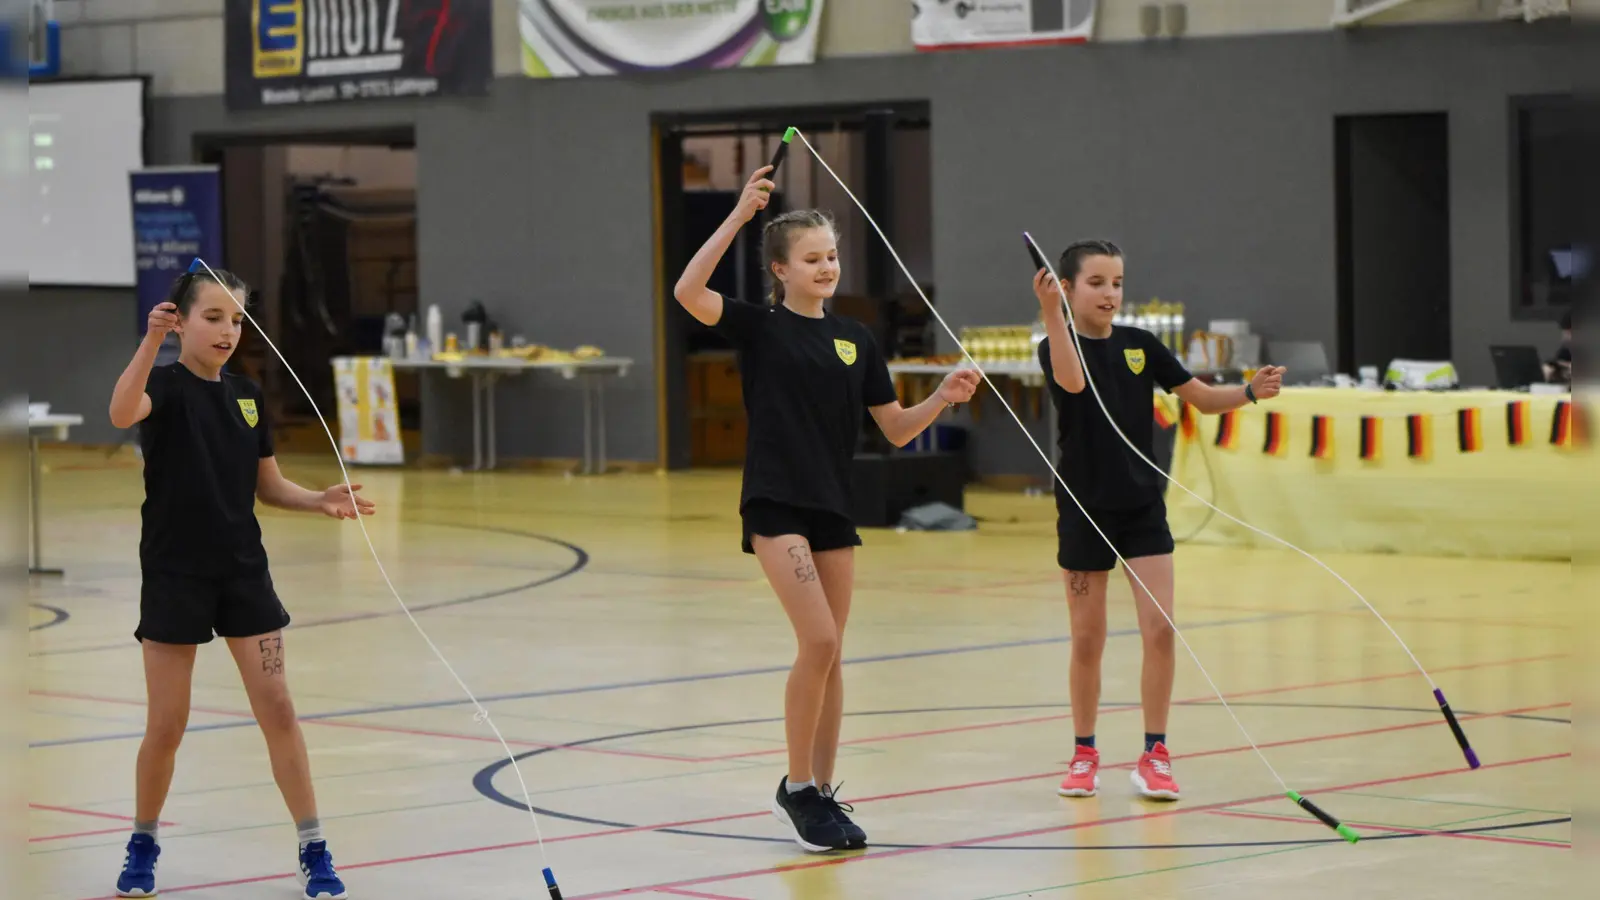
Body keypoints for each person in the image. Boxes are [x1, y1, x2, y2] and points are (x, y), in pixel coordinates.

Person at [673, 166, 980, 853]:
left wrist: (944, 398)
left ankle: (825, 794)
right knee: (816, 641)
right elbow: (688, 292)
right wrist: (736, 219)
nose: (826, 267)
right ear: (780, 269)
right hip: (775, 503)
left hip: (832, 508)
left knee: (833, 653)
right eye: (811, 259)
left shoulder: (856, 339)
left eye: (832, 257)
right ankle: (797, 787)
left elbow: (897, 428)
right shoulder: (761, 327)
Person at [107, 268, 374, 899]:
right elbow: (121, 413)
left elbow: (268, 487)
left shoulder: (248, 397)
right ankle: (143, 841)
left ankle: (314, 847)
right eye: (213, 317)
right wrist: (151, 343)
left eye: (236, 319)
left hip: (243, 573)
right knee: (167, 724)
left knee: (278, 707)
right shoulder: (163, 386)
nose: (227, 330)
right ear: (182, 321)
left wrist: (318, 499)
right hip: (174, 575)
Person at [1031, 240, 1284, 802]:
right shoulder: (1055, 346)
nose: (1111, 293)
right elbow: (1073, 385)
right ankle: (1084, 753)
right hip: (1083, 511)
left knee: (1161, 628)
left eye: (1117, 282)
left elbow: (1200, 398)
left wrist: (1247, 392)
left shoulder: (1141, 347)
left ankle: (1154, 755)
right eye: (1096, 282)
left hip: (1142, 508)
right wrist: (1052, 314)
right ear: (1068, 289)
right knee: (1087, 637)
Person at [1543, 310, 1572, 385]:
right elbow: (1558, 362)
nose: (1566, 338)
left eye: (1570, 333)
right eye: (1565, 333)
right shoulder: (1566, 349)